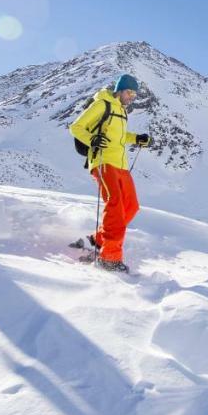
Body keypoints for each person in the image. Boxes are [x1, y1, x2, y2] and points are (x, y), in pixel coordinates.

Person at [68, 74, 152, 271]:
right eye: (129, 92)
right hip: (103, 161)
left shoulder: (122, 111)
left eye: (134, 93)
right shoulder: (102, 104)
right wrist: (93, 140)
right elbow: (76, 127)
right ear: (120, 90)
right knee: (115, 203)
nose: (132, 96)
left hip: (120, 164)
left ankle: (96, 241)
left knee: (131, 206)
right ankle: (110, 257)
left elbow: (119, 138)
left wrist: (136, 138)